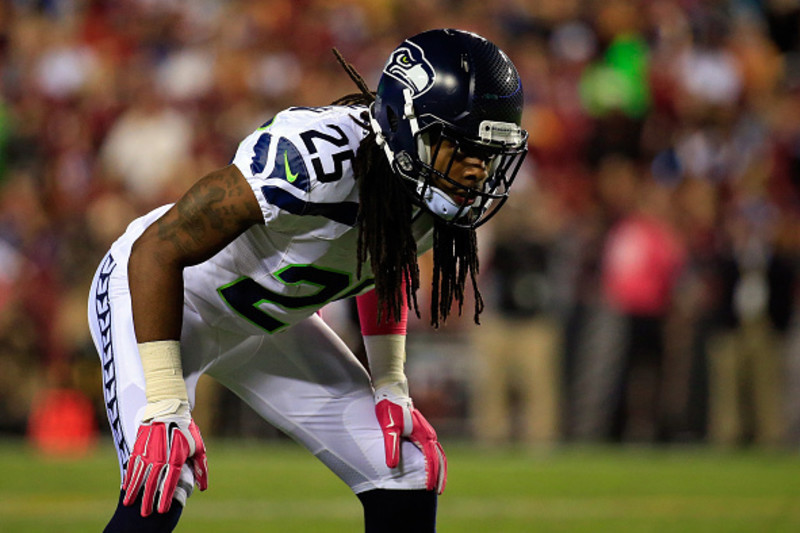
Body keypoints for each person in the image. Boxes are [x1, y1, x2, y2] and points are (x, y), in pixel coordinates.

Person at [87, 28, 528, 533]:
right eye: (460, 146)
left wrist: (391, 385)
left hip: (266, 328)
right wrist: (165, 404)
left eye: (487, 153)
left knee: (405, 468)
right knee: (162, 476)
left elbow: (382, 262)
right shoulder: (311, 161)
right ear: (407, 128)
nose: (476, 171)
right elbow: (158, 250)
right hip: (163, 299)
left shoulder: (429, 193)